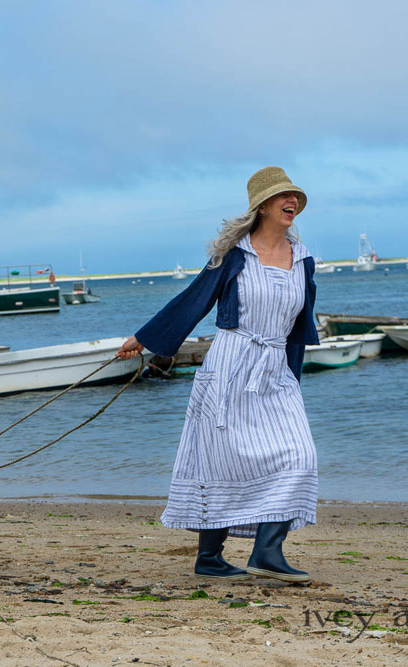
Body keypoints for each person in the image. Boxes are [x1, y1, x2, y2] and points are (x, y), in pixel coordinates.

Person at [117, 166, 319, 582]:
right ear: (262, 207)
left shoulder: (304, 260)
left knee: (300, 454)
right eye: (284, 196)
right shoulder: (234, 257)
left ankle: (266, 552)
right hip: (230, 364)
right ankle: (210, 558)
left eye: (296, 196)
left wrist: (291, 378)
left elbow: (298, 329)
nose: (293, 202)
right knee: (219, 459)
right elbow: (193, 300)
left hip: (274, 370)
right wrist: (145, 338)